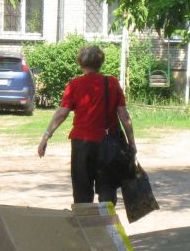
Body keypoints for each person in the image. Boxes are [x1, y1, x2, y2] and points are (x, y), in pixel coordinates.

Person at [37, 45, 136, 205]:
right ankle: (107, 227)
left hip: (82, 145)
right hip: (108, 144)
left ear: (80, 63)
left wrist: (45, 137)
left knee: (82, 191)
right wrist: (131, 143)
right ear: (101, 62)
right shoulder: (111, 83)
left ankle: (85, 226)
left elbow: (62, 114)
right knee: (107, 190)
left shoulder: (74, 85)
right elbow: (124, 116)